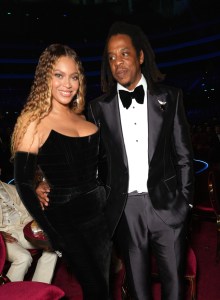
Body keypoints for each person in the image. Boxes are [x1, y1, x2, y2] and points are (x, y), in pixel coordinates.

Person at [86, 22, 194, 300]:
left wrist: (186, 202)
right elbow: (93, 164)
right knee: (138, 290)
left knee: (174, 288)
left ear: (140, 56)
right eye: (111, 57)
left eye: (124, 53)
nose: (117, 62)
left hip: (168, 207)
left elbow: (184, 155)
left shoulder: (170, 97)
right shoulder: (99, 108)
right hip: (126, 211)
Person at [11, 43, 112, 300]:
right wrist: (52, 233)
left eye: (73, 76)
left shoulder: (86, 118)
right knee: (96, 289)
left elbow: (106, 170)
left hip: (100, 216)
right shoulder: (34, 123)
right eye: (59, 75)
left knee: (103, 287)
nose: (67, 84)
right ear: (46, 78)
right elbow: (22, 181)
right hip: (66, 221)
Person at [0, 178, 57, 283]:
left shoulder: (12, 188)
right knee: (23, 258)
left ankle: (39, 286)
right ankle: (8, 294)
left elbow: (27, 210)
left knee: (52, 245)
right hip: (3, 234)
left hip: (21, 227)